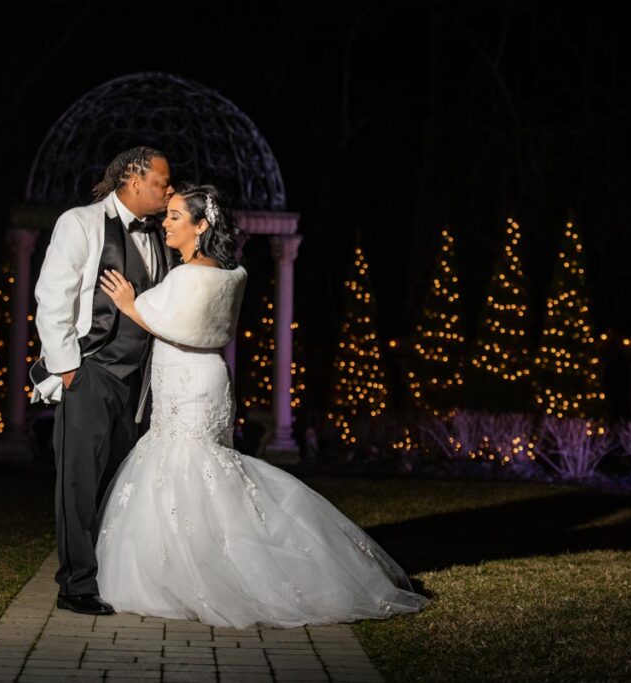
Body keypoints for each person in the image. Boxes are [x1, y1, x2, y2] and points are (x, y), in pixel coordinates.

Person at [94, 183, 429, 628]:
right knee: (201, 468)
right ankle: (193, 564)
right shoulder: (232, 274)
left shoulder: (186, 277)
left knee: (185, 466)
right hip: (208, 379)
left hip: (186, 380)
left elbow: (168, 326)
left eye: (176, 216)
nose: (167, 222)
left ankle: (192, 575)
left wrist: (127, 304)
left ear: (201, 225)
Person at [30, 146, 175, 615]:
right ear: (133, 180)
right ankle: (75, 586)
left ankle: (114, 575)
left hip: (138, 383)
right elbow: (53, 297)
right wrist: (69, 371)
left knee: (120, 484)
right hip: (89, 373)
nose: (168, 189)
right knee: (78, 483)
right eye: (161, 182)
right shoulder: (81, 222)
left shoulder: (159, 236)